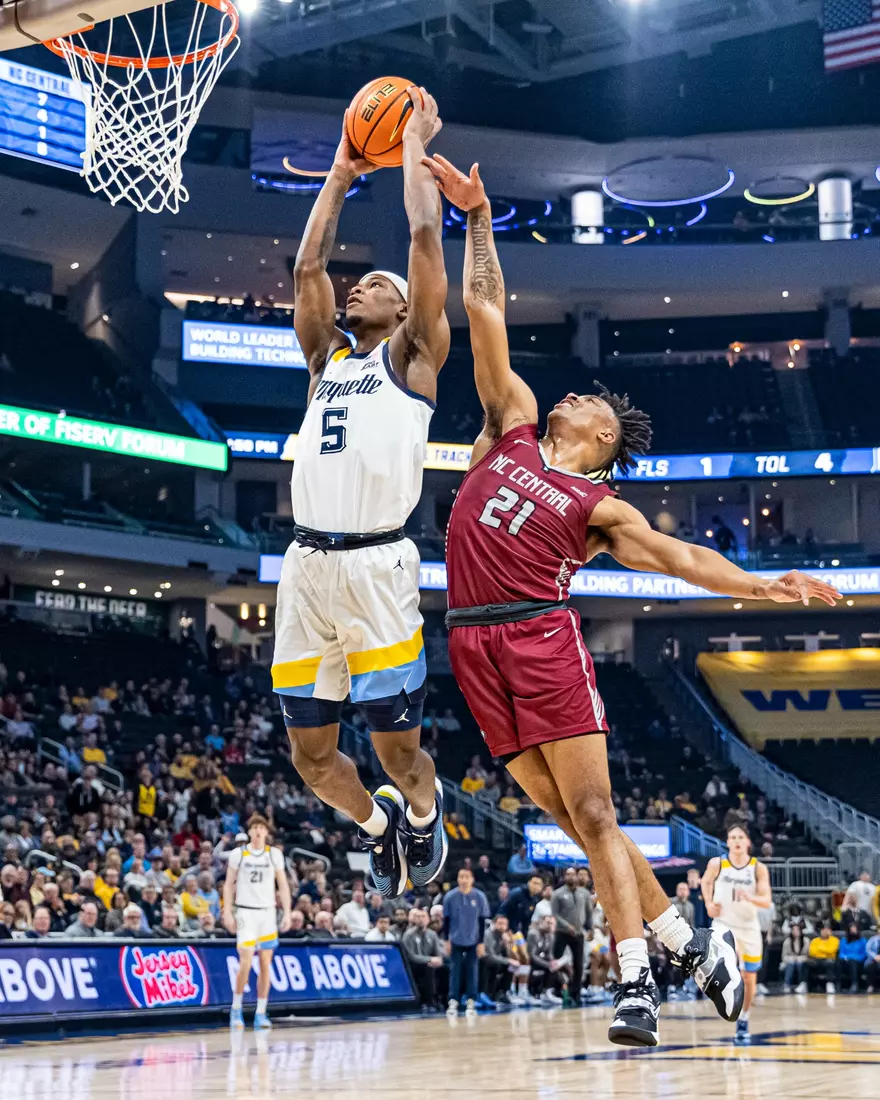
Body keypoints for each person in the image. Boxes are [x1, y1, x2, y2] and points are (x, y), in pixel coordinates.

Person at [421, 153, 839, 1047]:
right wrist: (481, 219)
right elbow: (484, 310)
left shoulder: (597, 504)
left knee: (600, 818)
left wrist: (764, 583)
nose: (563, 393)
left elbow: (679, 555)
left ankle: (636, 986)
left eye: (584, 401)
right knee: (576, 821)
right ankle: (698, 946)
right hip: (468, 646)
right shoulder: (512, 427)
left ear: (601, 438)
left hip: (537, 638)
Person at [270, 90, 450, 900]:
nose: (358, 289)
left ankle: (422, 810)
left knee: (396, 752)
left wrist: (410, 144)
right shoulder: (326, 363)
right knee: (311, 759)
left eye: (374, 284)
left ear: (404, 308)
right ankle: (379, 830)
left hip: (379, 567)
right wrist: (341, 173)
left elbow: (421, 234)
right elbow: (308, 266)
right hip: (307, 567)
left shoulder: (412, 356)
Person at [701, 826, 772, 1045]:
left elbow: (766, 900)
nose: (737, 841)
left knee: (749, 976)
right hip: (724, 924)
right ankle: (722, 997)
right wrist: (708, 903)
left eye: (741, 837)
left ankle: (744, 1016)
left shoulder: (757, 868)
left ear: (748, 842)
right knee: (727, 965)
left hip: (749, 925)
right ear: (728, 842)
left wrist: (749, 897)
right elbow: (705, 882)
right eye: (733, 837)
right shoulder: (717, 864)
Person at [223, 814, 292, 1030]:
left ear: (267, 832)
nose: (258, 831)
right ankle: (236, 1008)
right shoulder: (238, 854)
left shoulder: (274, 855)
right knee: (245, 961)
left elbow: (283, 885)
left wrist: (288, 912)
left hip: (267, 913)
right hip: (245, 912)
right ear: (250, 831)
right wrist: (227, 912)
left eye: (262, 827)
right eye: (255, 827)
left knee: (265, 963)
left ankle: (261, 1011)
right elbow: (227, 885)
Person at [443, 866, 490, 1017]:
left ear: (472, 879)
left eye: (466, 877)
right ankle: (453, 1001)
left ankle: (471, 1001)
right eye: (461, 877)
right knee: (454, 970)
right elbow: (446, 920)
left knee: (472, 971)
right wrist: (446, 940)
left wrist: (481, 942)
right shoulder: (450, 897)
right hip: (456, 939)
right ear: (457, 879)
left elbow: (482, 920)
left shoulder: (479, 896)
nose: (463, 880)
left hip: (473, 939)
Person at [551, 867, 591, 1000]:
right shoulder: (557, 894)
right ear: (564, 877)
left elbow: (588, 912)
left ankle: (576, 992)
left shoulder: (584, 893)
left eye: (573, 874)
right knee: (556, 961)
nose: (571, 877)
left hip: (578, 933)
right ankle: (556, 989)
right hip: (562, 932)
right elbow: (555, 914)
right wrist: (567, 926)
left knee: (579, 964)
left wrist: (590, 928)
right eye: (567, 874)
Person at [402, 907, 444, 1011]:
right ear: (414, 920)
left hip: (429, 962)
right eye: (418, 917)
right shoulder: (408, 935)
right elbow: (411, 956)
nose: (421, 919)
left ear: (428, 919)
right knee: (427, 969)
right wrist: (429, 960)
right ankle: (429, 1002)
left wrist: (438, 960)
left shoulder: (432, 934)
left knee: (447, 967)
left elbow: (438, 953)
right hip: (413, 965)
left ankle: (446, 999)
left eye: (423, 916)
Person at [527, 914, 565, 1005]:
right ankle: (544, 993)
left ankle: (549, 991)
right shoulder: (533, 934)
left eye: (552, 924)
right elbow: (532, 955)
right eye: (547, 923)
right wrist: (547, 964)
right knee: (550, 967)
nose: (549, 925)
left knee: (559, 967)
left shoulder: (551, 936)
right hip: (530, 960)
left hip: (541, 959)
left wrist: (553, 962)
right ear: (541, 923)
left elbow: (549, 954)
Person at [808, 925, 840, 992]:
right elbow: (812, 952)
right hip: (817, 959)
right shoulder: (815, 940)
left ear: (830, 931)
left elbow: (831, 950)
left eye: (826, 930)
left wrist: (820, 948)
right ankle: (804, 984)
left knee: (829, 963)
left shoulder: (834, 940)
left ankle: (830, 985)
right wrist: (825, 950)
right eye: (823, 930)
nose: (824, 932)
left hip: (829, 959)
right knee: (806, 963)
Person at [781, 922, 810, 993]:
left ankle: (802, 984)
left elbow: (808, 955)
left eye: (797, 930)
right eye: (794, 930)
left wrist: (799, 958)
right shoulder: (787, 942)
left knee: (800, 964)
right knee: (791, 964)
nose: (795, 932)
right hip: (790, 960)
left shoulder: (806, 941)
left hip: (802, 960)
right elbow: (784, 957)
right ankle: (787, 984)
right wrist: (792, 958)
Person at [838, 923, 868, 992]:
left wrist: (853, 958)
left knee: (853, 962)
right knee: (837, 962)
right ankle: (838, 984)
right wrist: (846, 958)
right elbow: (841, 953)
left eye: (854, 928)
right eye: (851, 928)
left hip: (858, 962)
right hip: (846, 961)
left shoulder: (863, 940)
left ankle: (854, 984)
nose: (853, 930)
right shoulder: (843, 940)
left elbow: (864, 954)